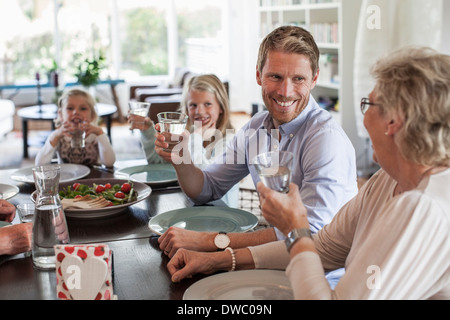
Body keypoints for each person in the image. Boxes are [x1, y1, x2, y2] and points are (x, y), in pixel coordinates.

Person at [167, 46, 450, 299]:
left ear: (393, 121)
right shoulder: (386, 180)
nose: (364, 117)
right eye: (275, 76)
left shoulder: (423, 207)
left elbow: (311, 247)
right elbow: (325, 247)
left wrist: (294, 229)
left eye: (369, 104)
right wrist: (217, 259)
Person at [156, 26, 358, 287]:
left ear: (315, 78)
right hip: (268, 270)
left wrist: (210, 241)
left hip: (320, 282)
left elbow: (305, 236)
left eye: (298, 78)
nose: (285, 91)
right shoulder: (256, 127)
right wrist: (181, 158)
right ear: (258, 75)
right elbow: (207, 189)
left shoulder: (326, 139)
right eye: (275, 76)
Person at [128, 74, 239, 207]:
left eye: (208, 104)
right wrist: (147, 131)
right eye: (193, 105)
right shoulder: (188, 135)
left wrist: (196, 137)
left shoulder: (229, 141)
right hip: (194, 209)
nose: (199, 111)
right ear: (186, 108)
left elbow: (204, 182)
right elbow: (157, 161)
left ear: (221, 107)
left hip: (221, 213)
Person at [35, 88, 116, 167]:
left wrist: (100, 134)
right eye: (70, 108)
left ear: (92, 115)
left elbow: (109, 163)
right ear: (61, 114)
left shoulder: (96, 135)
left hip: (93, 178)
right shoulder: (58, 136)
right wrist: (55, 137)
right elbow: (39, 164)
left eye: (83, 108)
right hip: (67, 178)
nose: (76, 112)